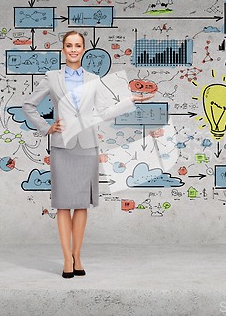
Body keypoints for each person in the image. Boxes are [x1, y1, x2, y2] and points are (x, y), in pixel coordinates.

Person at [22, 31, 153, 278]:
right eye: (69, 45)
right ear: (63, 49)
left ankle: (77, 255)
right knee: (62, 204)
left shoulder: (94, 79)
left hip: (87, 146)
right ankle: (65, 259)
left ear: (83, 49)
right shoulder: (52, 78)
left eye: (78, 45)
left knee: (82, 204)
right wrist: (46, 127)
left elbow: (104, 111)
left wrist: (130, 100)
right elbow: (28, 105)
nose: (73, 49)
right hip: (62, 145)